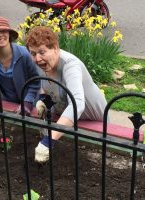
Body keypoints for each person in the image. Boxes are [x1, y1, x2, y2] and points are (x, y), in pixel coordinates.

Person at [25, 26, 107, 163]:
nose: (37, 59)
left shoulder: (70, 66)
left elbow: (78, 104)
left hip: (94, 124)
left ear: (55, 48)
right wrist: (44, 100)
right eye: (33, 54)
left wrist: (48, 140)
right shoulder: (42, 64)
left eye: (42, 52)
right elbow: (45, 87)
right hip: (69, 123)